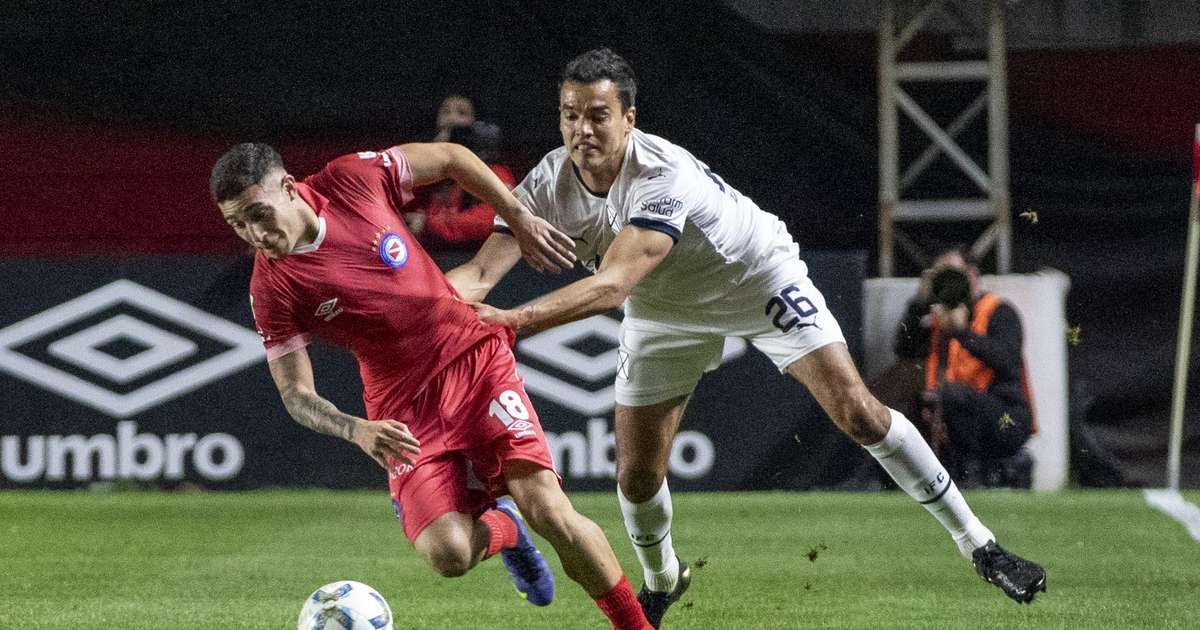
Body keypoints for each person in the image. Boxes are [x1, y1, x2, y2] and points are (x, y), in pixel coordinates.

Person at [447, 48, 1046, 626]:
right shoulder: (547, 182)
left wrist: (514, 321)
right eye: (570, 114)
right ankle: (663, 580)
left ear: (629, 118)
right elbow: (476, 275)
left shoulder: (660, 172)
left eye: (598, 115)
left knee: (859, 413)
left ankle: (981, 545)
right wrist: (406, 300)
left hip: (756, 280)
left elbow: (612, 287)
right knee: (635, 476)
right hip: (663, 310)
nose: (582, 130)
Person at [209, 141, 654, 630]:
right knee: (450, 555)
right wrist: (356, 429)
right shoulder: (270, 288)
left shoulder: (351, 179)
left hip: (472, 358)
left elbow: (451, 158)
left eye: (258, 214)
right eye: (238, 224)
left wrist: (518, 216)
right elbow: (296, 394)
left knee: (547, 508)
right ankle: (505, 529)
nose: (255, 233)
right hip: (401, 407)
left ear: (290, 188)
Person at [909, 248, 1036, 486]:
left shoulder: (999, 311)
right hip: (951, 412)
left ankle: (972, 474)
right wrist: (919, 302)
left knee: (955, 395)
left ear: (973, 276)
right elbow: (904, 350)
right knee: (914, 402)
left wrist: (962, 333)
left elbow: (1007, 360)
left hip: (1005, 416)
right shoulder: (936, 317)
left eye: (953, 275)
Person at [407, 121, 515, 249]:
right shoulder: (440, 174)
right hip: (431, 250)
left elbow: (491, 219)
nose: (436, 143)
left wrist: (428, 225)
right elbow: (406, 204)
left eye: (445, 141)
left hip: (466, 253)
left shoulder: (494, 174)